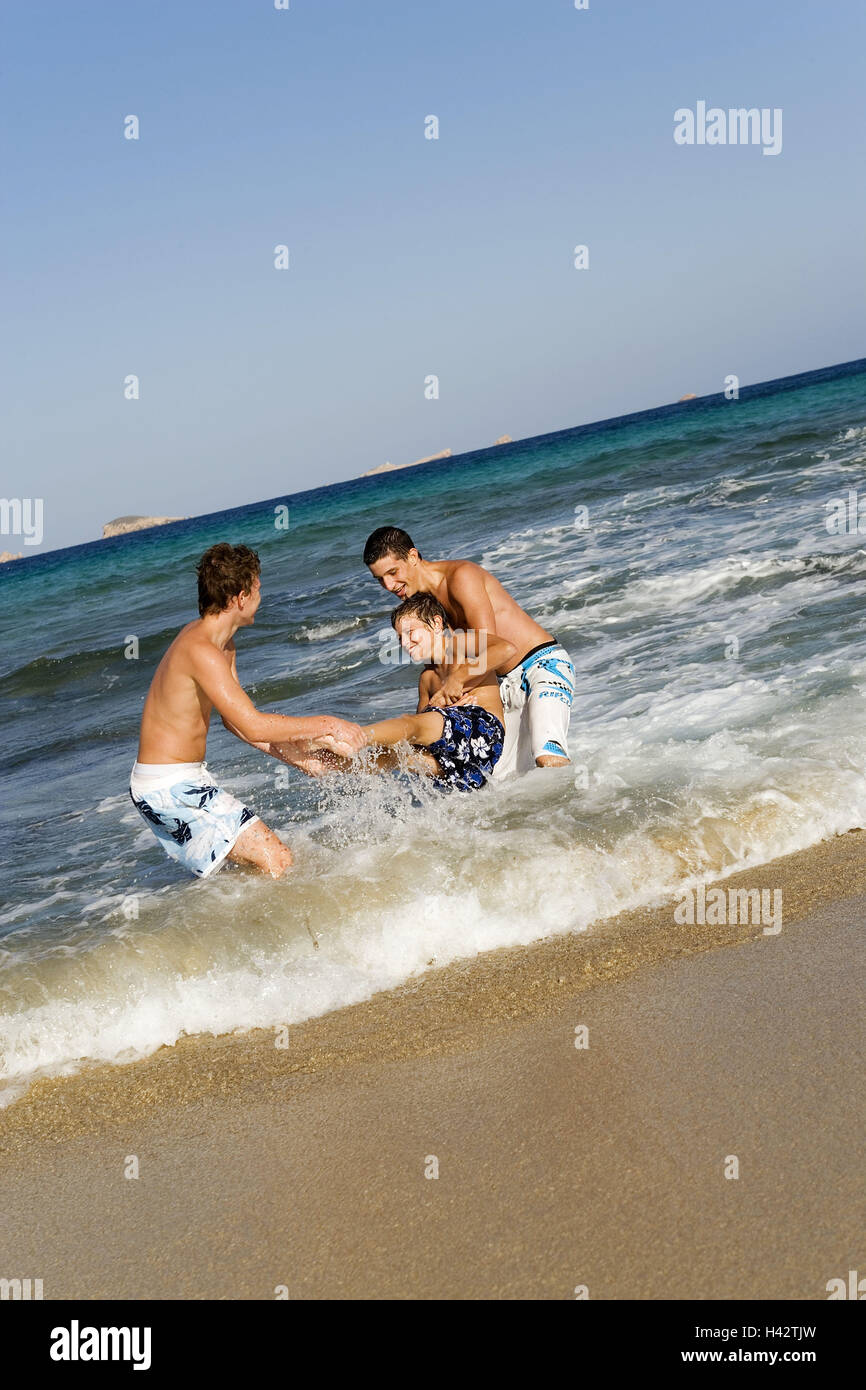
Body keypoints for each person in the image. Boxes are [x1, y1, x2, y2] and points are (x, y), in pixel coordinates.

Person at [130, 542, 365, 878]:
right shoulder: (202, 651)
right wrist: (329, 724)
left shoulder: (221, 644)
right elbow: (253, 724)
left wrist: (299, 760)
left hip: (180, 781)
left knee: (253, 870)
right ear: (240, 597)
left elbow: (233, 722)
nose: (260, 595)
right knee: (277, 859)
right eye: (257, 588)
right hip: (168, 787)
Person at [363, 525, 575, 778]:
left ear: (412, 556)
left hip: (540, 666)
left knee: (547, 757)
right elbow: (444, 666)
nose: (388, 585)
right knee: (504, 781)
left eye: (393, 572)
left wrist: (457, 682)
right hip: (499, 684)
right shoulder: (423, 608)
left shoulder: (460, 577)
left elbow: (492, 646)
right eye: (380, 579)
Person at [269, 594, 514, 792]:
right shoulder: (427, 679)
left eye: (411, 633)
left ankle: (351, 738)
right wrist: (440, 705)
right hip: (463, 768)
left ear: (437, 624)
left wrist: (457, 679)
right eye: (399, 638)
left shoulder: (459, 645)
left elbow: (505, 648)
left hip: (485, 736)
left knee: (409, 725)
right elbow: (422, 732)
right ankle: (329, 765)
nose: (405, 643)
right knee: (399, 753)